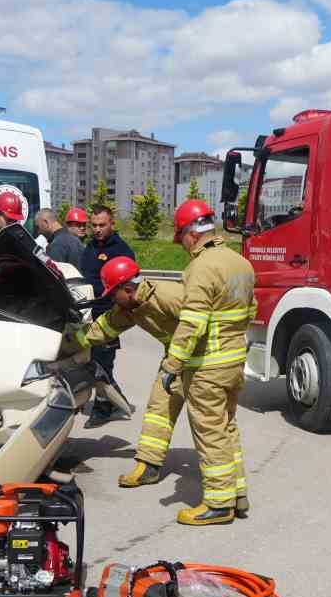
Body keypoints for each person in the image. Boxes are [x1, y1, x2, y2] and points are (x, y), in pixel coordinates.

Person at [62, 256, 210, 494]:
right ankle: (148, 466)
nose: (111, 299)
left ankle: (222, 484)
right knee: (158, 410)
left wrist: (182, 360)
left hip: (205, 360)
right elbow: (102, 329)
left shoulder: (168, 295)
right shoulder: (130, 307)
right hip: (176, 360)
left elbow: (199, 322)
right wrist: (66, 343)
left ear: (128, 289)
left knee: (208, 422)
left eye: (113, 294)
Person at [159, 199, 255, 526]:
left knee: (210, 432)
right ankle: (237, 495)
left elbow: (191, 323)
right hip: (233, 362)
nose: (183, 247)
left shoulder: (201, 267)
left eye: (181, 239)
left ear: (189, 233)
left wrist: (172, 365)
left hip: (207, 367)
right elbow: (251, 312)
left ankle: (217, 503)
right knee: (227, 429)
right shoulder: (240, 262)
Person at [77, 205, 134, 425]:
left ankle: (103, 407)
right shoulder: (89, 247)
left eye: (102, 225)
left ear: (112, 224)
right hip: (88, 313)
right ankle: (117, 400)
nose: (97, 229)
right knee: (94, 361)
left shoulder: (122, 250)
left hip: (110, 315)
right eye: (94, 225)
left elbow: (128, 288)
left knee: (103, 363)